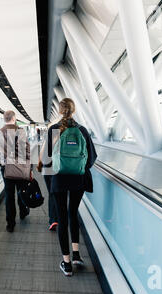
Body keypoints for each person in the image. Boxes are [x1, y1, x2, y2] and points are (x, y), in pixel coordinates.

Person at [47, 98, 97, 276]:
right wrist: (79, 167)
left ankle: (66, 263)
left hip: (59, 179)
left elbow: (47, 158)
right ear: (73, 111)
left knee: (61, 217)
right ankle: (76, 254)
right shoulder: (82, 130)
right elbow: (92, 157)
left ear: (60, 111)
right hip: (78, 179)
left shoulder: (53, 130)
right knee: (73, 213)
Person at [0, 110, 30, 233]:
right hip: (20, 168)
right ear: (14, 118)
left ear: (5, 119)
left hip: (7, 169)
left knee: (9, 195)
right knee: (22, 191)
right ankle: (23, 212)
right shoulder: (21, 131)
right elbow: (26, 150)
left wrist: (2, 165)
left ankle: (10, 223)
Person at [37, 129, 58, 231]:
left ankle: (53, 219)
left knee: (51, 193)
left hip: (48, 170)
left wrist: (40, 165)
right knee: (61, 194)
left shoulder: (48, 137)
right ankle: (61, 217)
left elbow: (42, 153)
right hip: (60, 170)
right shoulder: (64, 136)